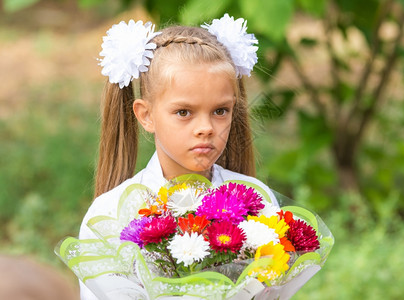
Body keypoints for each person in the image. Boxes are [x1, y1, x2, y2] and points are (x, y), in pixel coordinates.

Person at [78, 14, 279, 299]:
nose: (206, 128)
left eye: (220, 111)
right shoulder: (109, 215)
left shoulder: (256, 203)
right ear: (146, 115)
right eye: (184, 112)